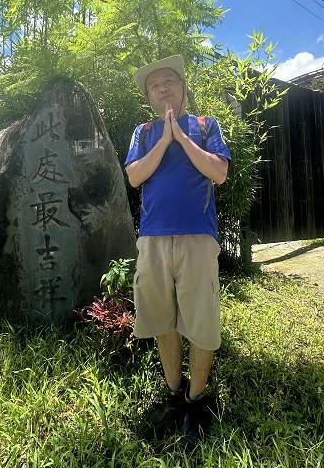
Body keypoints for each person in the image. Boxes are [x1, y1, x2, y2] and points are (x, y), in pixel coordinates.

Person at [123, 55, 231, 440]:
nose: (163, 88)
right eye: (155, 85)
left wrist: (181, 138)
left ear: (184, 88)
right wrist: (164, 139)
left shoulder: (206, 126)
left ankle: (197, 400)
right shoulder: (143, 131)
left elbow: (218, 172)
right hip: (152, 239)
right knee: (161, 319)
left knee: (201, 322)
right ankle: (173, 394)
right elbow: (134, 177)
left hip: (197, 238)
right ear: (150, 96)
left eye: (169, 81)